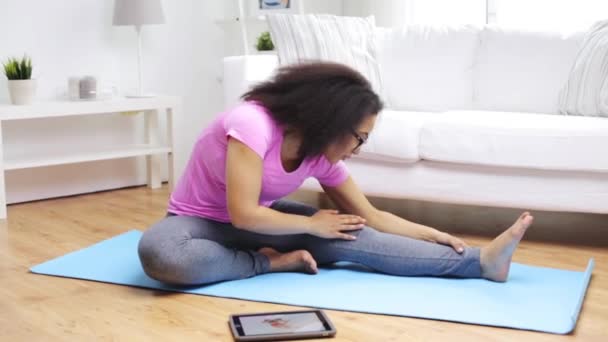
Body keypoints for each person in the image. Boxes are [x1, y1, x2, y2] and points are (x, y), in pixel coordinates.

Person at [138, 62, 534, 286]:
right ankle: (271, 263)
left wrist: (437, 235)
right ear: (331, 120)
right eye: (359, 136)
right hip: (198, 223)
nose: (359, 148)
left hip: (268, 222)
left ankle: (482, 263)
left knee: (353, 234)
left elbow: (374, 216)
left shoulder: (321, 156)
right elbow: (242, 214)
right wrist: (311, 226)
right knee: (161, 253)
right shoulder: (252, 124)